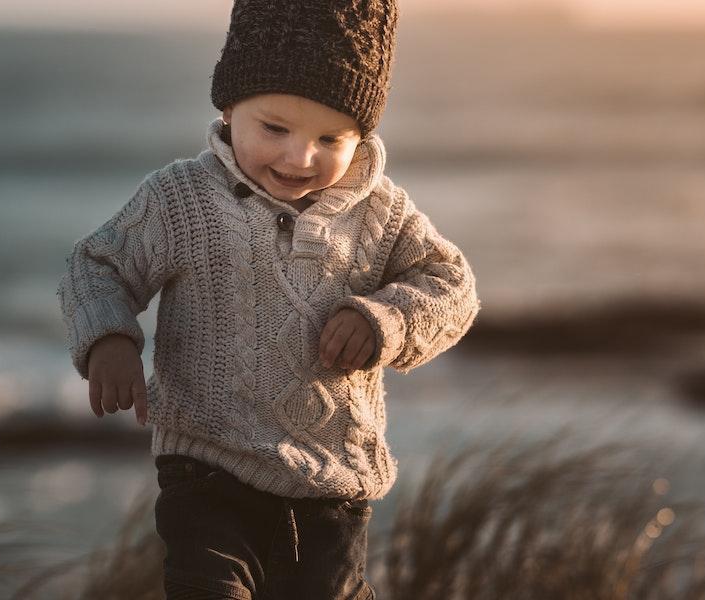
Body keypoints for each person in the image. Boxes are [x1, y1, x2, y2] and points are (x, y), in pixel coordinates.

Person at [57, 1, 481, 597]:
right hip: (207, 472)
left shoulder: (382, 213)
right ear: (229, 109)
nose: (298, 157)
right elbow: (95, 265)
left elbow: (453, 287)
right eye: (274, 129)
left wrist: (386, 319)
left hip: (332, 492)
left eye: (330, 137)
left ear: (363, 134)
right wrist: (109, 337)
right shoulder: (184, 199)